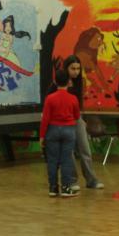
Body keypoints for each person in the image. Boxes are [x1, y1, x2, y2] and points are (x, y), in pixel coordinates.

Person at [61, 55, 103, 189]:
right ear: (66, 69)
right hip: (63, 120)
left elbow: (78, 103)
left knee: (85, 149)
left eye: (78, 69)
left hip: (76, 118)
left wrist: (81, 119)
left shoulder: (79, 82)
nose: (76, 72)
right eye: (72, 69)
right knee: (69, 152)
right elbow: (51, 100)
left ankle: (91, 180)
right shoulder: (59, 82)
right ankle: (72, 181)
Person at [41, 69, 80, 198]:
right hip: (69, 130)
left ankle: (53, 188)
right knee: (66, 160)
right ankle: (66, 188)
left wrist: (42, 136)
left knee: (52, 160)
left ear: (55, 81)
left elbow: (45, 118)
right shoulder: (73, 98)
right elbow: (77, 116)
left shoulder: (49, 98)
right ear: (68, 82)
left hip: (52, 130)